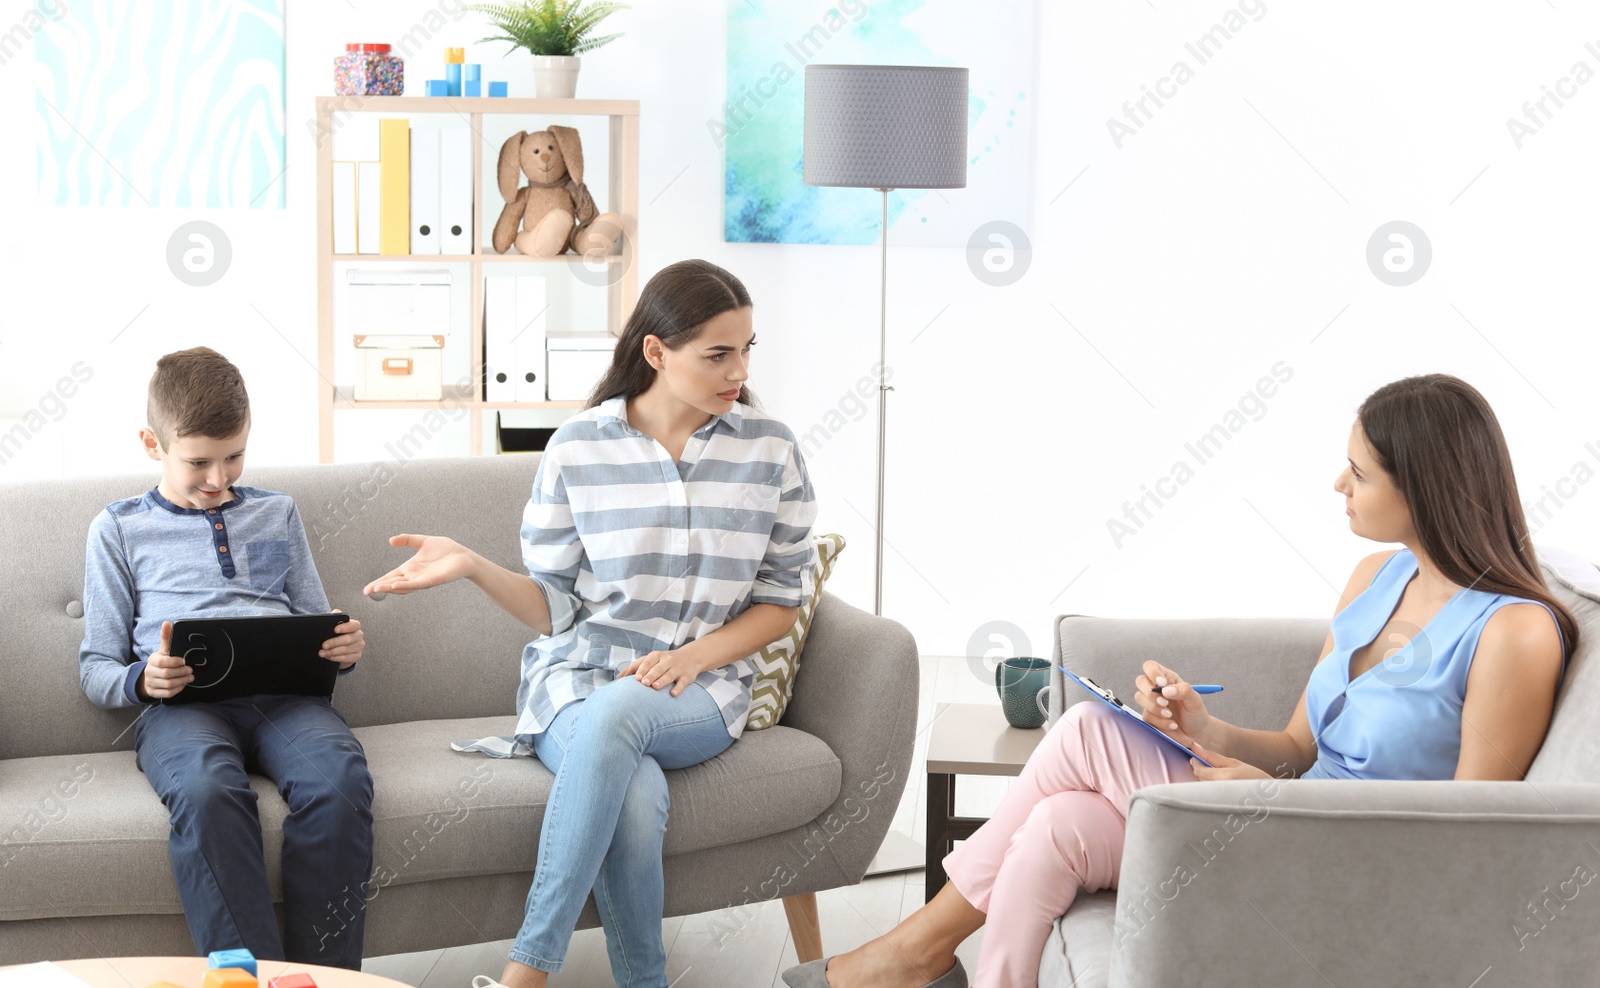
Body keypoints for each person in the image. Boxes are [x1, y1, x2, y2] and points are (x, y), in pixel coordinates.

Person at [784, 373, 1576, 988]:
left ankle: (914, 948)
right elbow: (1298, 747)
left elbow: (1473, 831)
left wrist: (1275, 799)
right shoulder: (1376, 576)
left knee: (1090, 731)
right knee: (1056, 823)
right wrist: (1203, 729)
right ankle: (951, 966)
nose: (1339, 486)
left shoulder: (1513, 630)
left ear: (1426, 486)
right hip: (1280, 814)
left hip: (1347, 857)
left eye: (1357, 472)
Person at [363, 260, 818, 988]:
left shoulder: (769, 450)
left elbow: (779, 600)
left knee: (622, 713)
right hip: (576, 682)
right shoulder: (578, 446)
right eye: (718, 353)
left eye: (746, 349)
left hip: (702, 689)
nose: (739, 370)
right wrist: (475, 564)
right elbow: (557, 607)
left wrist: (696, 656)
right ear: (656, 352)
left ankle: (525, 972)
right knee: (632, 786)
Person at [78, 347, 373, 966]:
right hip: (183, 709)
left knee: (339, 780)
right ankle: (250, 980)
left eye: (234, 456)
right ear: (151, 444)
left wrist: (342, 649)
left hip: (289, 701)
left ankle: (322, 978)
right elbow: (95, 668)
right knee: (210, 790)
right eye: (198, 462)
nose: (218, 479)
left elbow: (318, 620)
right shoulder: (118, 528)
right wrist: (143, 679)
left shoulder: (278, 510)